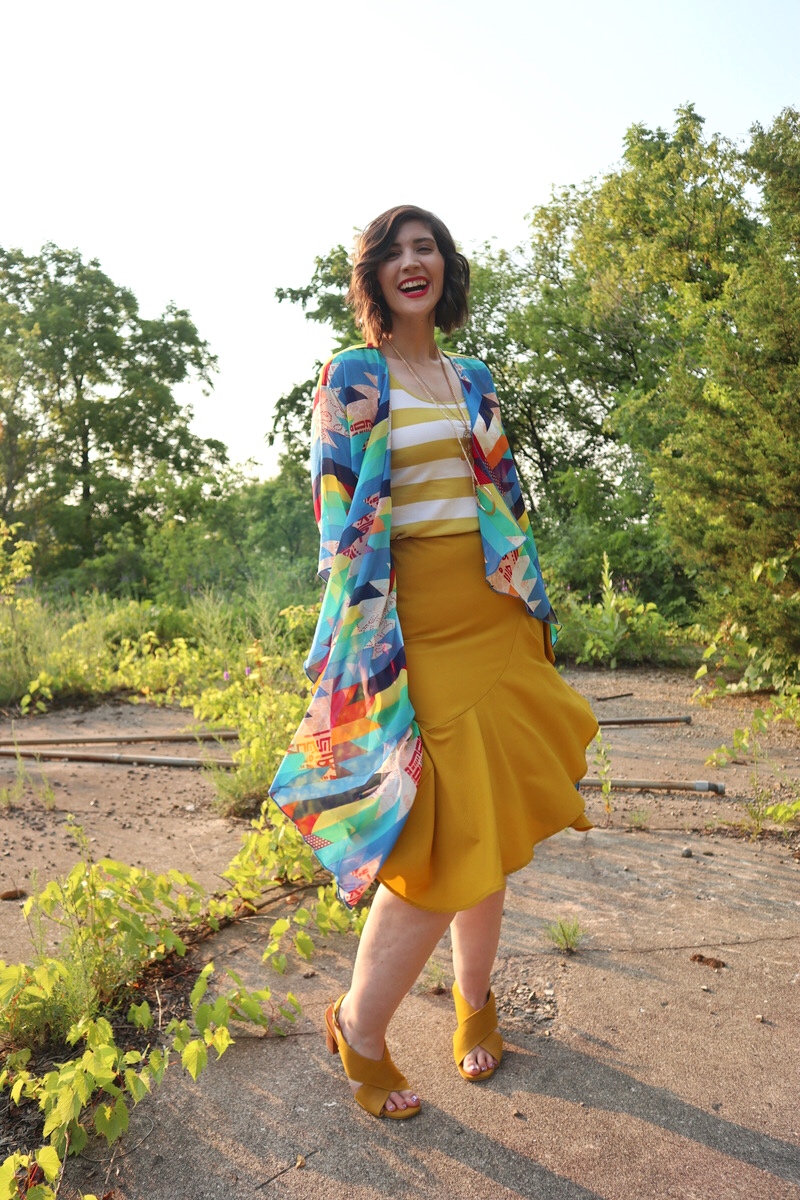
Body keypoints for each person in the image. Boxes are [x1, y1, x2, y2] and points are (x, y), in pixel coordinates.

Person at [269, 204, 598, 1120]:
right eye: (396, 253)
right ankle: (359, 1026)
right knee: (441, 834)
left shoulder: (473, 377)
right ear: (373, 276)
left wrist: (530, 602)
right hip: (410, 628)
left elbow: (504, 500)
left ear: (447, 271)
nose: (414, 264)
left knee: (484, 818)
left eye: (429, 250)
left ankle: (474, 998)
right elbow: (339, 524)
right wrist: (360, 650)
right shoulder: (353, 377)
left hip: (492, 616)